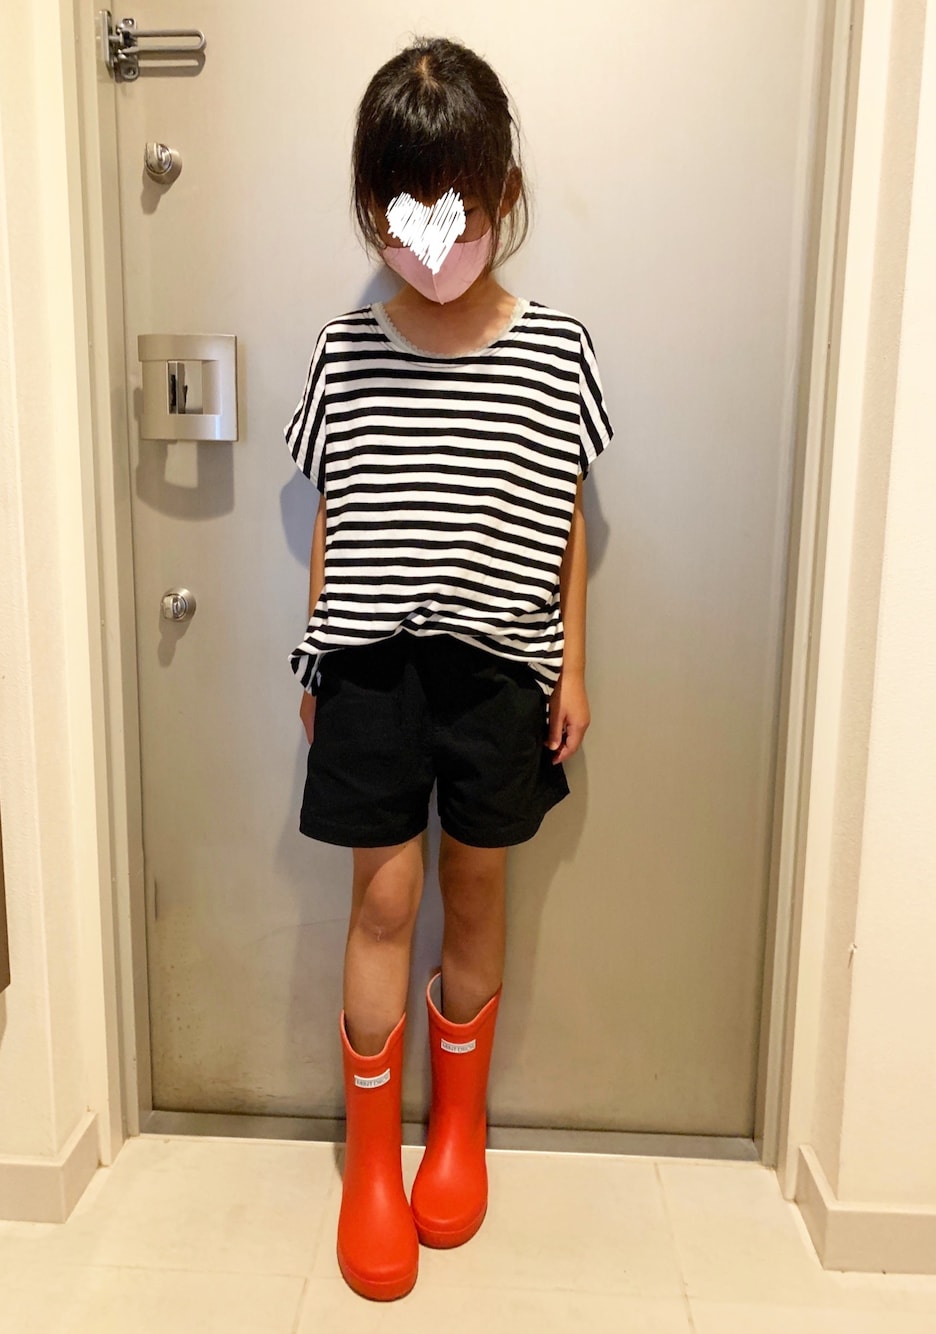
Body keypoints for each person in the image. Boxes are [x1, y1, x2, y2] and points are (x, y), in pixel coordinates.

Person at [284, 36, 613, 1302]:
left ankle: (456, 1131)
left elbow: (566, 518)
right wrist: (315, 655)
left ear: (502, 196)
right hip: (371, 669)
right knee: (380, 904)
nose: (427, 239)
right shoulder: (345, 349)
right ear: (374, 209)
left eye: (455, 210)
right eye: (399, 210)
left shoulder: (558, 349)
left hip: (501, 675)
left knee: (474, 896)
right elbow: (336, 511)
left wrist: (568, 667)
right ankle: (372, 1163)